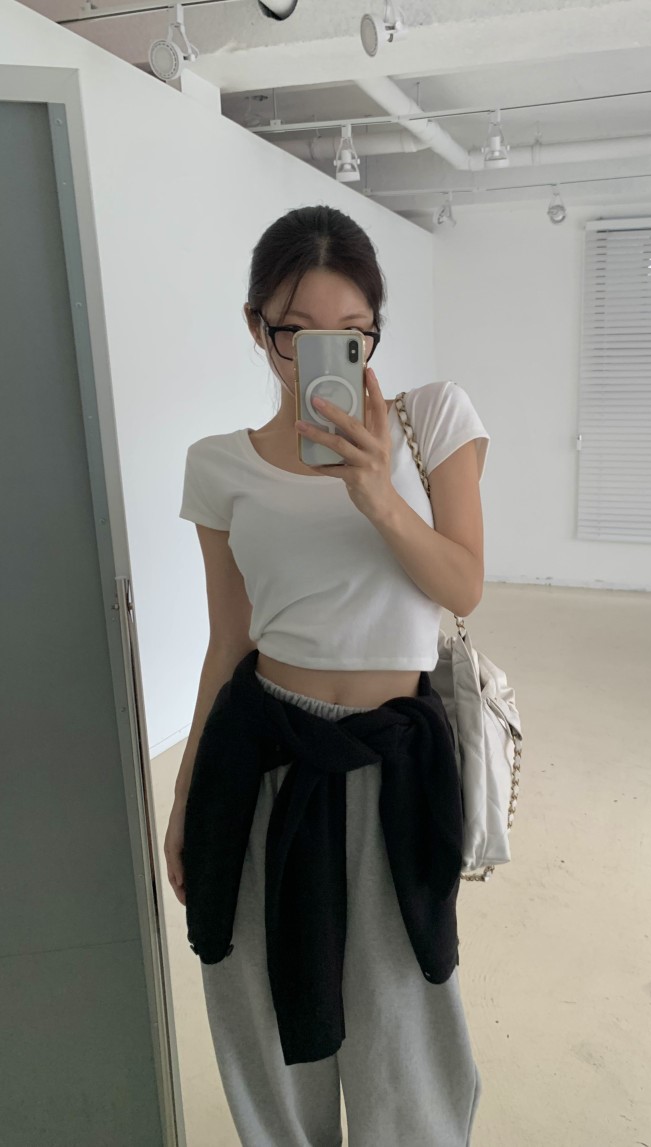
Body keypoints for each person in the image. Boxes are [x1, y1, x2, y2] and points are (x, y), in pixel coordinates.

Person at [164, 204, 491, 1146]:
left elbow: (462, 584)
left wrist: (377, 493)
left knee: (406, 1025)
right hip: (261, 764)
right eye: (295, 334)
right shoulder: (218, 465)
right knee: (265, 1020)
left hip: (396, 769)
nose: (321, 356)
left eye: (351, 333)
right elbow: (228, 641)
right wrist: (183, 796)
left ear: (376, 328)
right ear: (256, 326)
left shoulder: (434, 419)